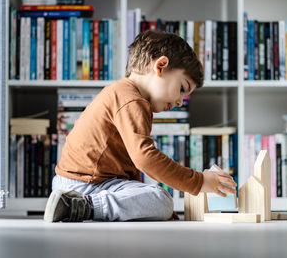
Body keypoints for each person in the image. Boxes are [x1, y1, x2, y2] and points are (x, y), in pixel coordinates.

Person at [43, 30, 237, 222]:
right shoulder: (132, 100)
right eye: (181, 89)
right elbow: (145, 158)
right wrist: (199, 181)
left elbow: (131, 169)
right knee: (161, 199)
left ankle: (80, 206)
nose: (179, 102)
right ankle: (82, 206)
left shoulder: (125, 94)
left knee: (158, 200)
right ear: (160, 66)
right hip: (86, 185)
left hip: (86, 183)